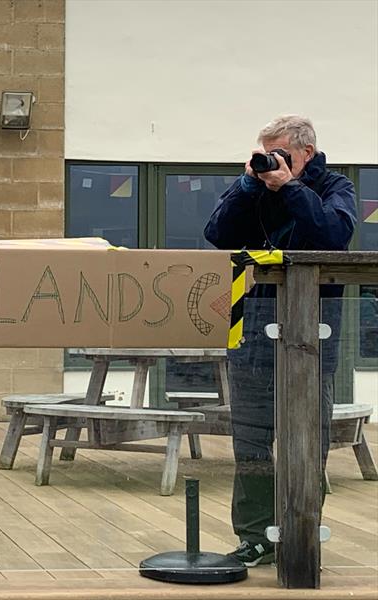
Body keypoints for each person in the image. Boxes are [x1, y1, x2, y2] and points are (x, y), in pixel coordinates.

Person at [204, 115, 357, 567]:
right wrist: (248, 186)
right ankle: (255, 538)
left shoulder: (335, 187)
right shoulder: (254, 190)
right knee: (251, 441)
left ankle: (301, 535)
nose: (270, 162)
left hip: (312, 336)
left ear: (305, 153)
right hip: (251, 331)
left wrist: (289, 187)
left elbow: (333, 235)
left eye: (280, 154)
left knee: (308, 439)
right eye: (265, 152)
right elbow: (218, 235)